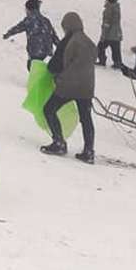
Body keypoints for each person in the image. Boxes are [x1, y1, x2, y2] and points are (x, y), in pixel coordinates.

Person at [41, 12, 97, 162]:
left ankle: (59, 142)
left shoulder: (68, 41)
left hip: (69, 86)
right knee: (86, 118)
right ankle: (89, 151)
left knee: (49, 109)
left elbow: (55, 65)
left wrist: (54, 73)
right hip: (87, 87)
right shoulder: (89, 42)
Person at [3, 0, 60, 70]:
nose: (25, 11)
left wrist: (7, 34)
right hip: (47, 52)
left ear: (29, 10)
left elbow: (17, 28)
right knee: (43, 69)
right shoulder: (46, 21)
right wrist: (60, 46)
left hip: (35, 51)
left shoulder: (29, 20)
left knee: (32, 67)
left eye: (26, 9)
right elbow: (53, 36)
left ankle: (36, 80)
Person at [97, 0, 123, 69]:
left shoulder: (109, 8)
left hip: (109, 34)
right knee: (116, 49)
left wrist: (103, 35)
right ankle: (117, 63)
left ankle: (102, 60)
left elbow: (106, 23)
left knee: (100, 47)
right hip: (117, 33)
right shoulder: (117, 7)